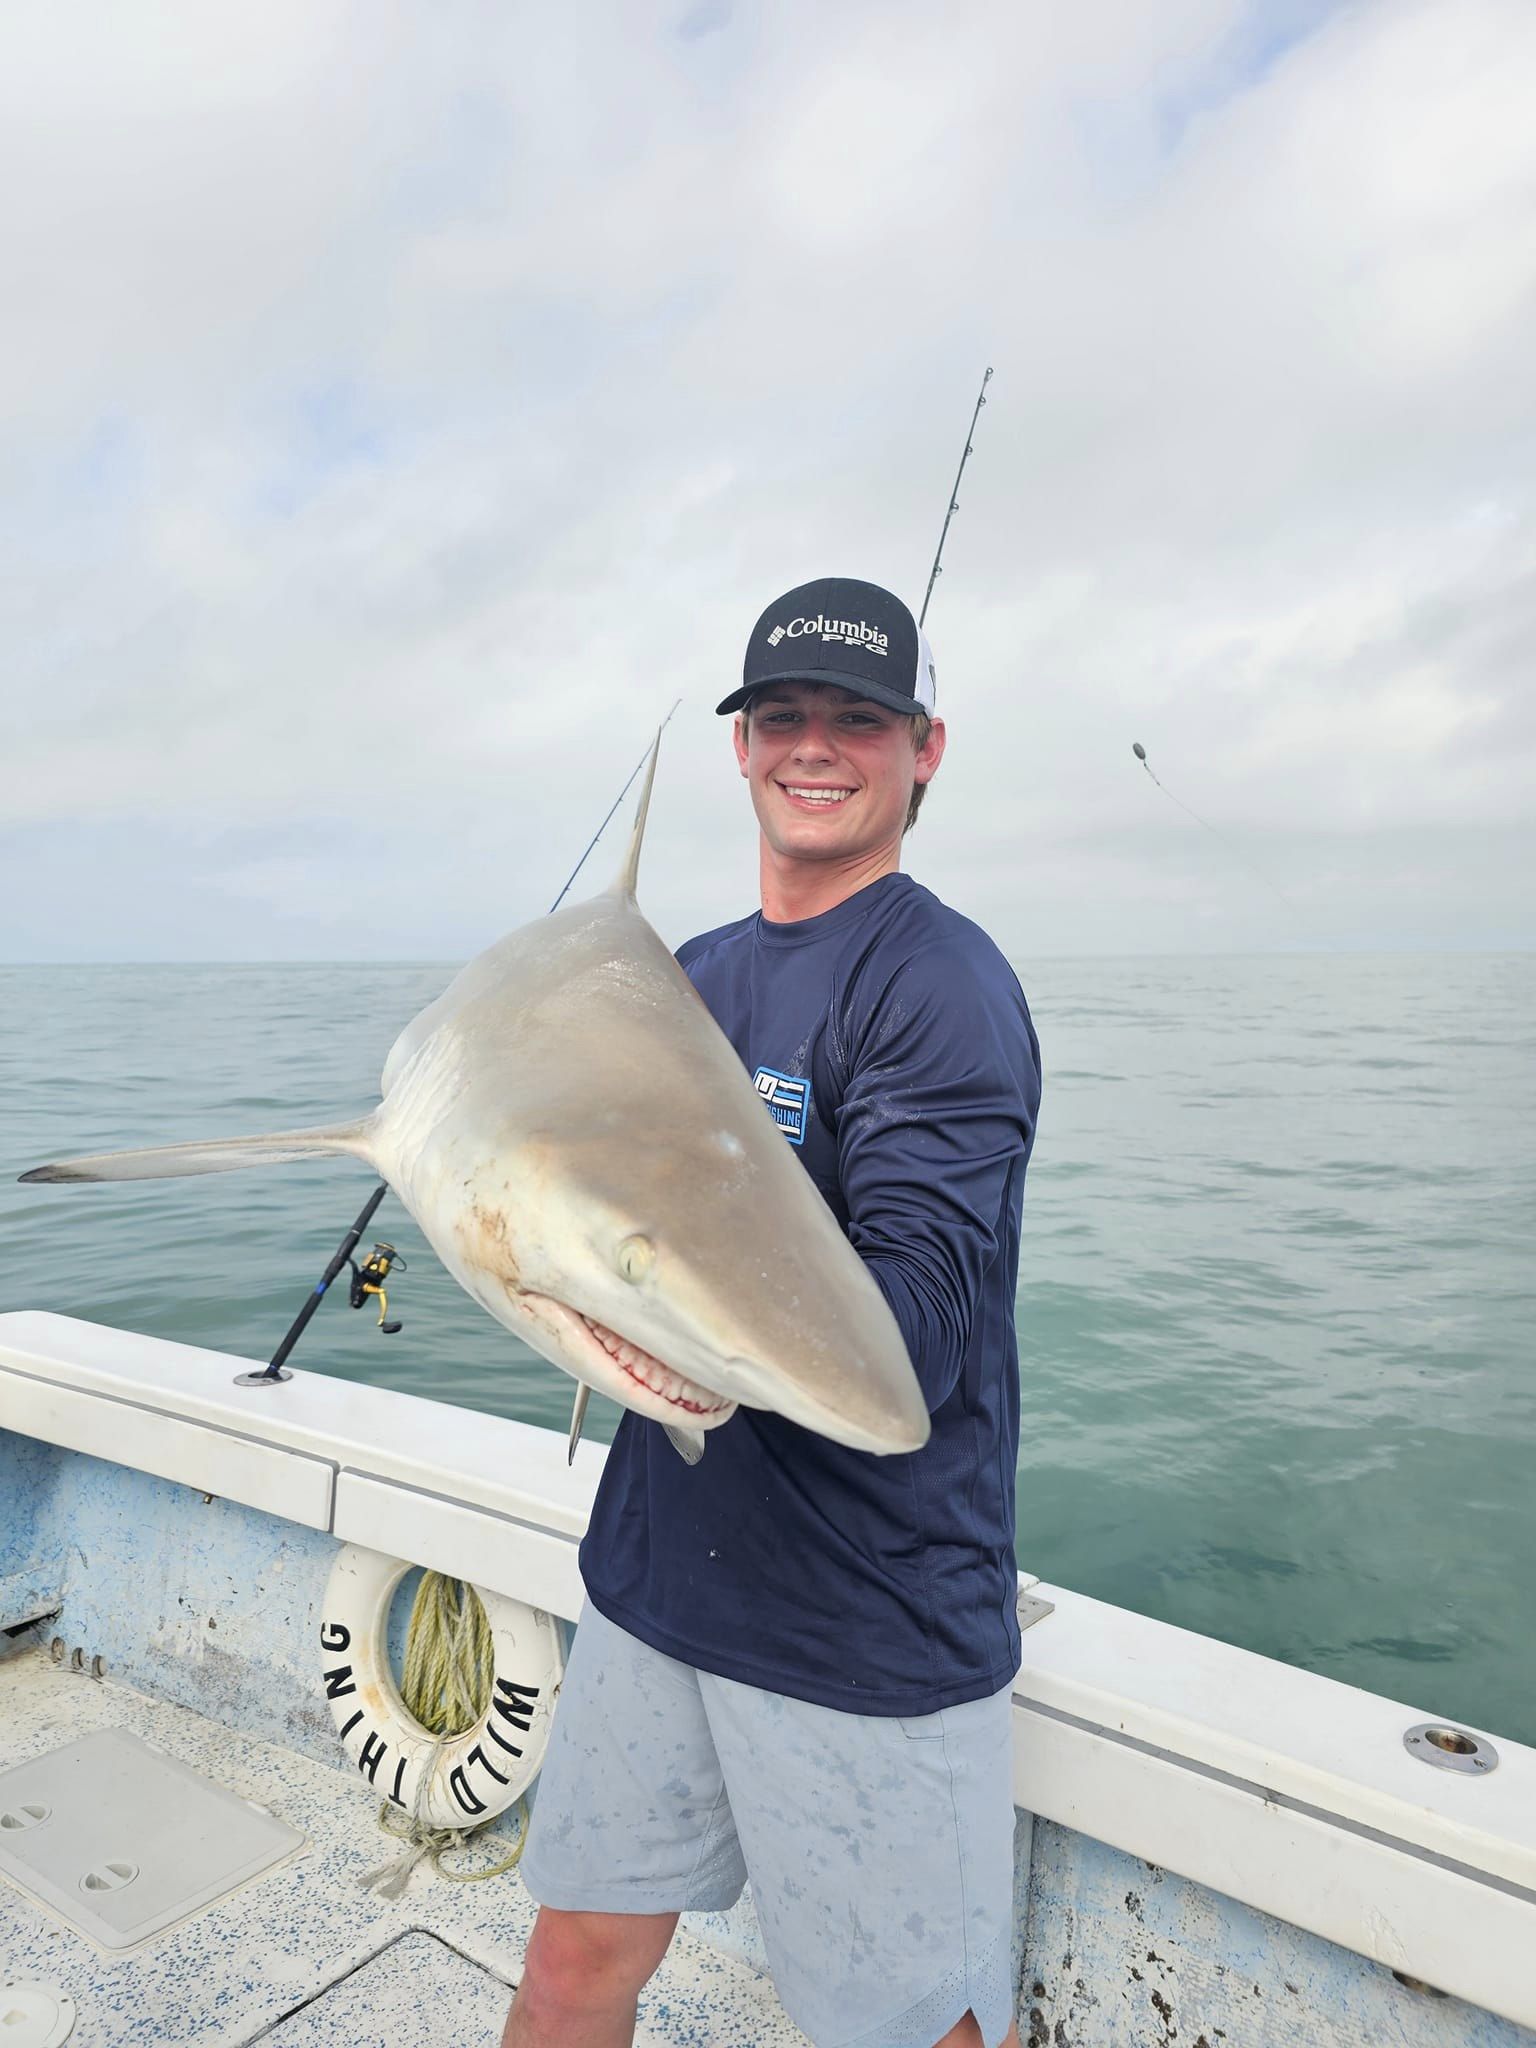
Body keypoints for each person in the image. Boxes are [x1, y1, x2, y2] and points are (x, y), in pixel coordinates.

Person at [502, 576, 1042, 2048]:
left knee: (906, 2037)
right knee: (570, 1968)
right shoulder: (684, 982)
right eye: (783, 716)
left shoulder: (942, 988)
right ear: (742, 749)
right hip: (663, 1574)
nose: (816, 746)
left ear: (926, 748)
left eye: (858, 719)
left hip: (861, 1618)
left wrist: (649, 1317)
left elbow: (912, 1344)